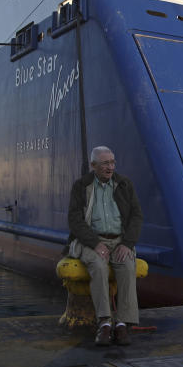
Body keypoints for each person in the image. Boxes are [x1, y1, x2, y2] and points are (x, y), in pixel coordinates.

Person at [67, 146, 143, 346]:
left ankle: (123, 324)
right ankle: (104, 322)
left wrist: (127, 244)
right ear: (93, 166)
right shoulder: (81, 186)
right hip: (91, 240)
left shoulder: (124, 184)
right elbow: (74, 220)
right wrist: (95, 242)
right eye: (105, 163)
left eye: (112, 162)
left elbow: (137, 216)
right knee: (99, 267)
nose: (110, 167)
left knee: (127, 266)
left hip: (119, 240)